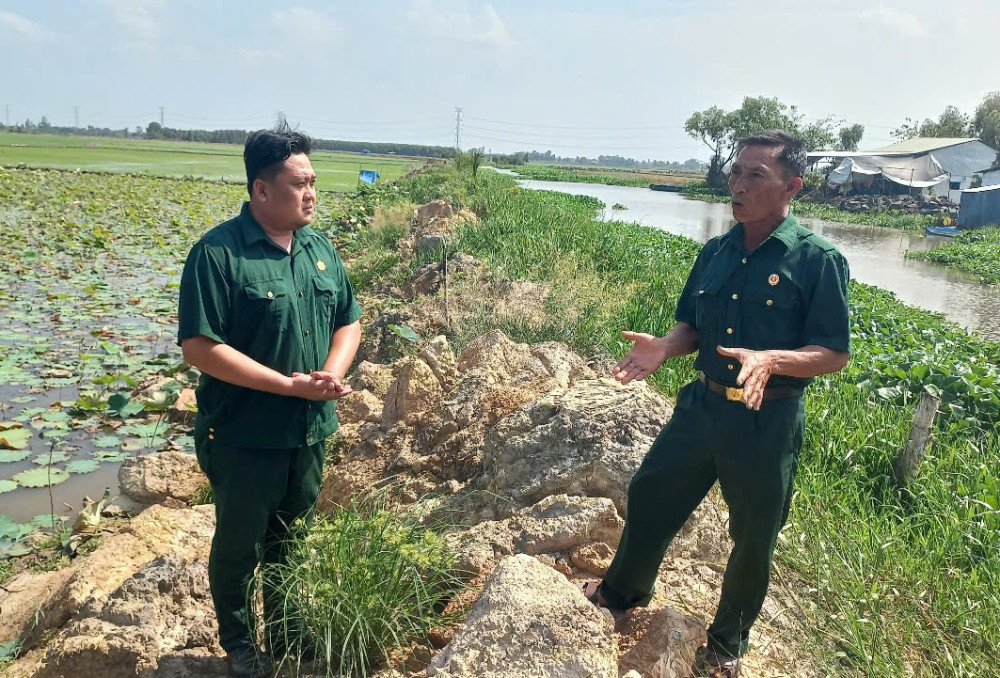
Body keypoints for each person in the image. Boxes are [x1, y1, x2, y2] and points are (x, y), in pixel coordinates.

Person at [581, 131, 851, 677]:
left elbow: (833, 353)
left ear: (792, 187)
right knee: (651, 491)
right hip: (701, 408)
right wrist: (664, 346)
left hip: (765, 418)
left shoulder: (818, 261)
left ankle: (727, 641)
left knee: (755, 532)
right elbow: (693, 328)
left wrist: (773, 359)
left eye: (756, 175)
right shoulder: (716, 251)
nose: (739, 185)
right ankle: (622, 591)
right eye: (735, 173)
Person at [178, 123, 362, 678]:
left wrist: (330, 374)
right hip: (243, 435)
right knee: (240, 544)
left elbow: (348, 322)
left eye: (314, 182)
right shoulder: (218, 255)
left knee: (292, 537)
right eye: (298, 183)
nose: (311, 193)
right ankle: (239, 643)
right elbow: (201, 349)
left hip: (308, 432)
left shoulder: (319, 249)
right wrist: (288, 386)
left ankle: (286, 630)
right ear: (261, 189)